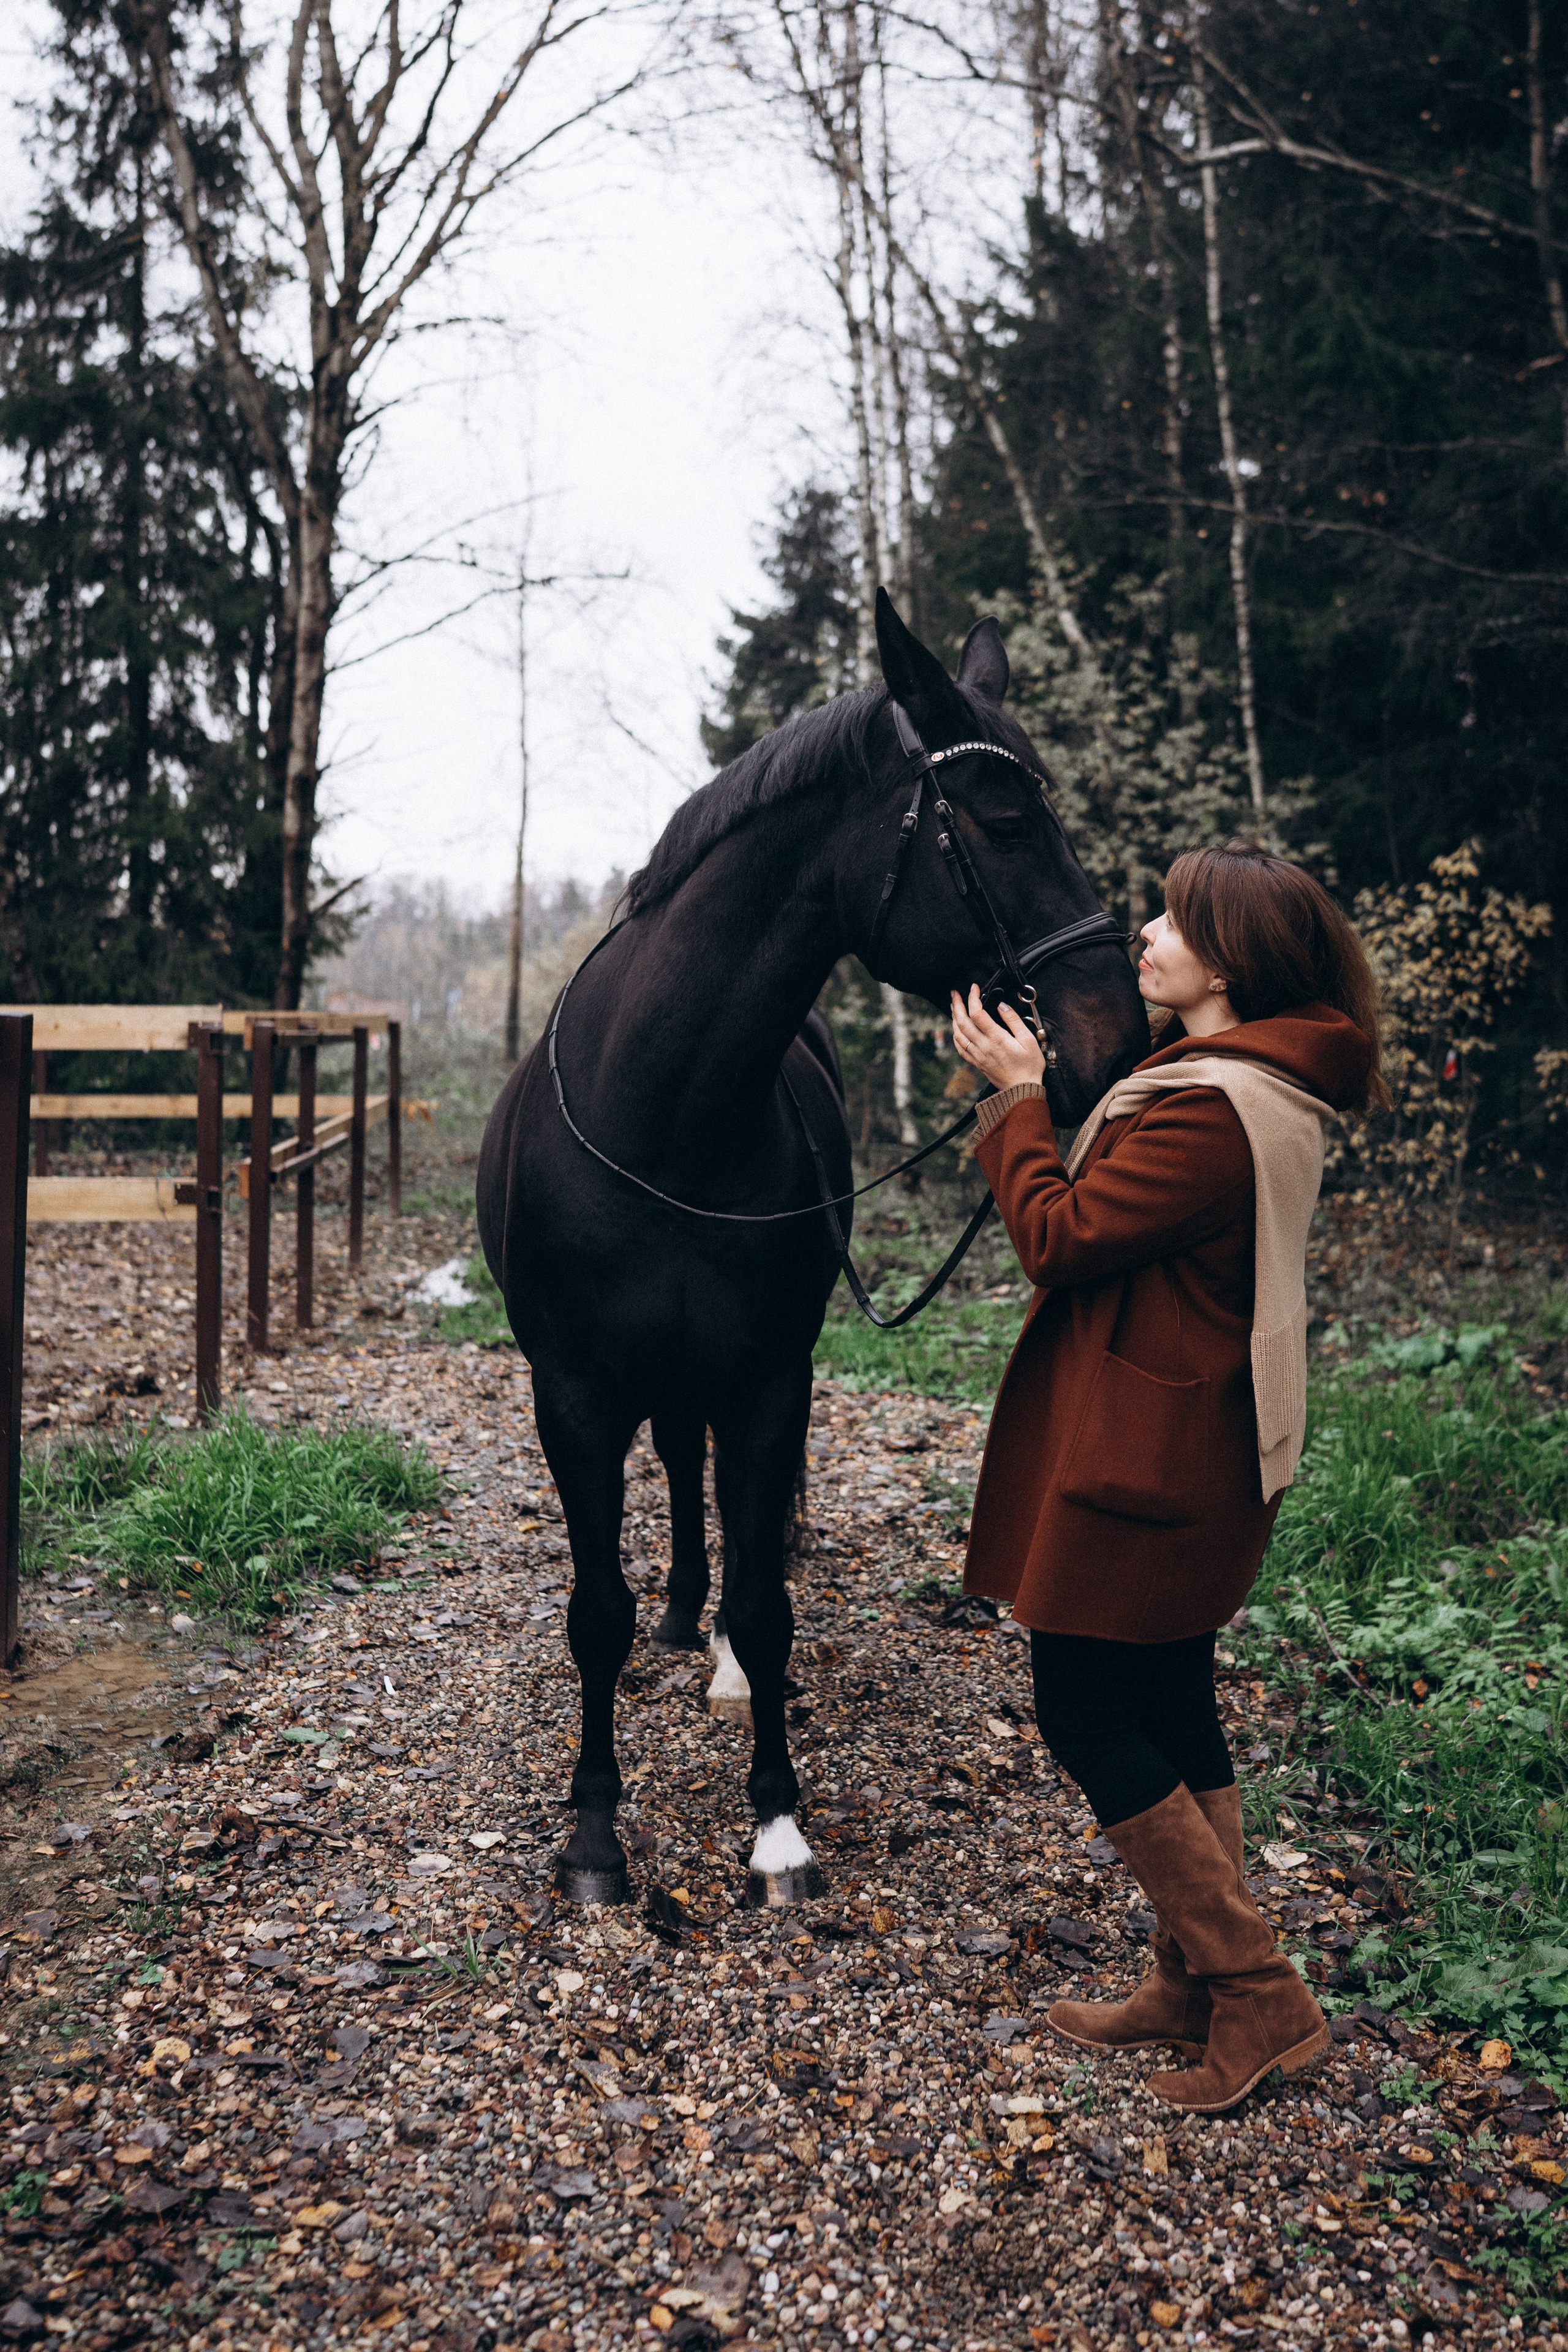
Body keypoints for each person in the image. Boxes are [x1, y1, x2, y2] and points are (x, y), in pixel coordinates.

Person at [948, 839, 1387, 2115]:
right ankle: (1190, 1981)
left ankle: (1258, 1995)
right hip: (1188, 1438)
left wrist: (1015, 1098)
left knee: (1084, 1705)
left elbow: (1059, 1237)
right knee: (1171, 1698)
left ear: (1233, 958)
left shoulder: (1212, 1105)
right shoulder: (1239, 1075)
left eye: (1172, 921)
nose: (1141, 932)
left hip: (1152, 1456)